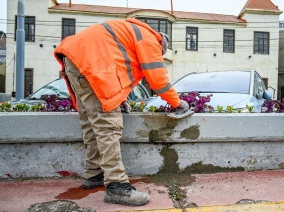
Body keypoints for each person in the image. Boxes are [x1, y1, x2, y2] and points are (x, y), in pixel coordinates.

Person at [54, 18, 189, 206]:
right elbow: (157, 79)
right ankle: (116, 186)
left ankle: (94, 174)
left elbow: (118, 67)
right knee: (108, 126)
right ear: (161, 45)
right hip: (92, 62)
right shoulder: (150, 40)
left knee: (92, 123)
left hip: (74, 57)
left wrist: (121, 99)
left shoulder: (131, 32)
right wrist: (177, 102)